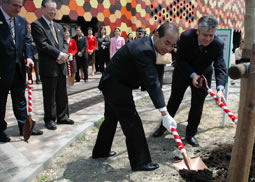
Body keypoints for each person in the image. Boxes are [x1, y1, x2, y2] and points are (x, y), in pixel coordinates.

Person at [92, 22, 179, 171]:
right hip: (115, 85)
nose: (169, 48)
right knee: (132, 122)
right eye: (167, 43)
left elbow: (156, 79)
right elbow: (152, 82)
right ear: (156, 35)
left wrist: (161, 103)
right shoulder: (143, 49)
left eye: (172, 45)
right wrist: (164, 113)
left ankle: (101, 151)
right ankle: (141, 162)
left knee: (111, 119)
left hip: (114, 82)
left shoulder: (154, 47)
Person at [153, 15, 227, 147]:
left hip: (203, 76)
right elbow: (180, 60)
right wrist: (192, 74)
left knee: (197, 104)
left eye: (211, 35)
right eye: (205, 35)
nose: (208, 39)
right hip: (183, 72)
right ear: (198, 31)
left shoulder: (218, 44)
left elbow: (220, 65)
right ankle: (164, 127)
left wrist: (220, 89)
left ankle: (190, 134)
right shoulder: (186, 37)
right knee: (174, 100)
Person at [0, 0, 43, 142]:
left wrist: (29, 57)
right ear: (3, 2)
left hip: (18, 69)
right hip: (2, 70)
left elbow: (26, 42)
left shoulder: (21, 21)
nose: (18, 9)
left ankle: (24, 127)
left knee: (20, 100)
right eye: (15, 5)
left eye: (20, 6)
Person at [31, 0, 74, 130]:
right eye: (50, 9)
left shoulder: (59, 26)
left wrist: (65, 55)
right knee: (50, 95)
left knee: (62, 93)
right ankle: (50, 119)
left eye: (55, 9)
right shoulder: (37, 25)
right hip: (49, 66)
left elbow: (65, 43)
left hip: (61, 66)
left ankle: (63, 116)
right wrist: (59, 55)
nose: (53, 12)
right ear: (43, 9)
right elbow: (43, 45)